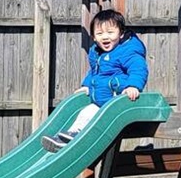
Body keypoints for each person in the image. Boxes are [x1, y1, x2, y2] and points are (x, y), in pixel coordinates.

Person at [41, 8, 148, 152]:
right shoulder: (97, 53)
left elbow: (138, 68)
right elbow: (94, 72)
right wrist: (87, 86)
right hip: (100, 102)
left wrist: (133, 86)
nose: (105, 37)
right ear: (94, 37)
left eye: (110, 32)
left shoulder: (127, 51)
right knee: (85, 112)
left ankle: (75, 138)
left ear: (121, 34)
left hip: (116, 103)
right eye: (100, 33)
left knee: (91, 116)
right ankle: (66, 138)